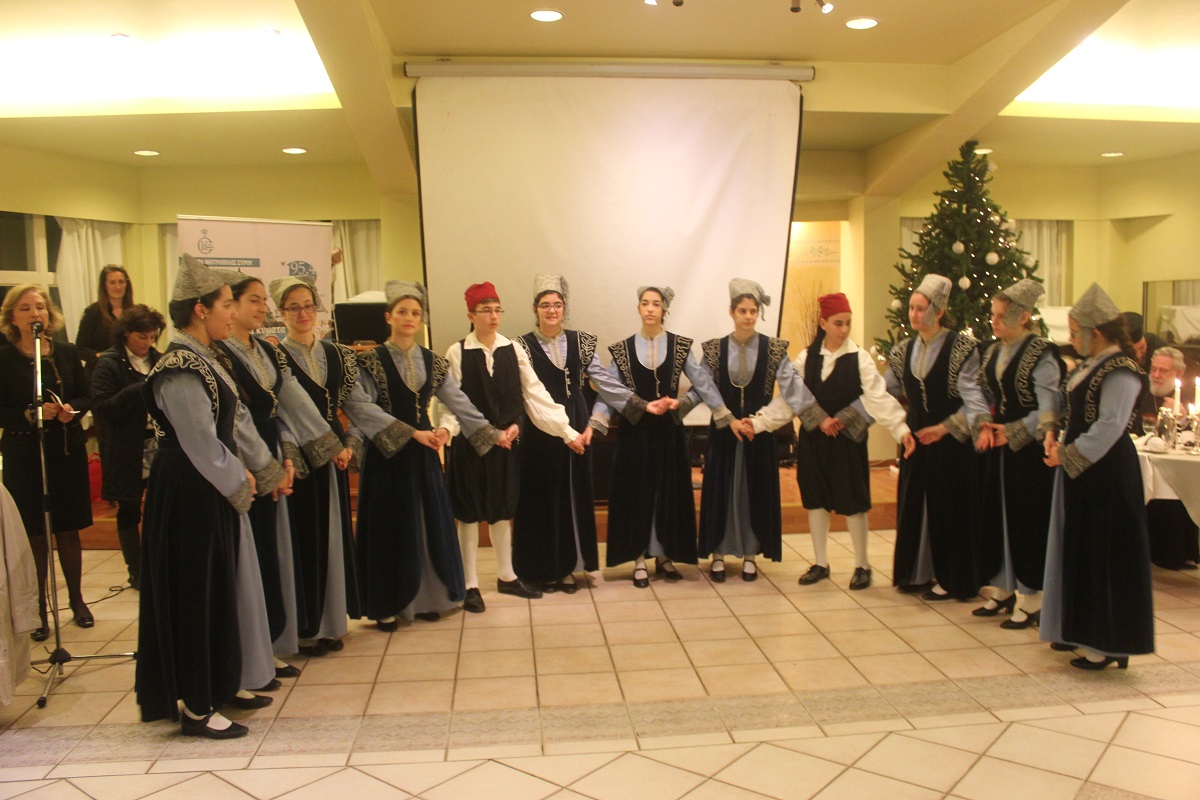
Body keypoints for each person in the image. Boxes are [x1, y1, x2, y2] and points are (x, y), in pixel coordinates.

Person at [137, 254, 286, 738]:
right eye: (226, 304)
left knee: (220, 587)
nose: (232, 312)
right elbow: (199, 441)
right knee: (196, 594)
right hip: (188, 491)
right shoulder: (180, 366)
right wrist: (240, 482)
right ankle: (198, 705)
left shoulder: (207, 357)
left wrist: (263, 470)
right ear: (201, 311)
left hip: (207, 487)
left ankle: (222, 682)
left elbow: (234, 422)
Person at [345, 281, 504, 627]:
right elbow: (360, 406)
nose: (409, 318)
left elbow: (457, 400)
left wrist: (487, 432)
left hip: (424, 454)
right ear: (388, 316)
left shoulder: (432, 361)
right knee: (391, 526)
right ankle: (388, 605)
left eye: (415, 313)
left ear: (421, 320)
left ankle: (428, 598)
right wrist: (412, 433)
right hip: (387, 455)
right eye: (402, 311)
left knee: (426, 523)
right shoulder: (369, 361)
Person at [217, 272, 345, 662]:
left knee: (277, 551)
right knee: (254, 552)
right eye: (253, 300)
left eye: (263, 301)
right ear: (232, 306)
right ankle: (257, 650)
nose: (261, 308)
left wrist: (292, 455)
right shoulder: (222, 354)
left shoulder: (267, 351)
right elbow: (238, 416)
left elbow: (285, 408)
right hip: (243, 457)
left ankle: (279, 638)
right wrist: (269, 464)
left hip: (276, 452)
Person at [437, 281, 586, 613]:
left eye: (497, 310)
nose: (493, 316)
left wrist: (565, 432)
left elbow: (533, 394)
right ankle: (470, 584)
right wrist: (447, 430)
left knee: (503, 511)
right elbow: (451, 402)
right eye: (485, 311)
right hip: (470, 447)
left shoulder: (513, 349)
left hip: (506, 445)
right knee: (469, 515)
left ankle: (507, 576)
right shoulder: (457, 351)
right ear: (471, 315)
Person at [750, 291, 914, 589]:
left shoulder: (859, 358)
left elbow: (878, 398)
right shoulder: (807, 357)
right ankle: (821, 563)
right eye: (838, 323)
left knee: (854, 503)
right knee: (816, 502)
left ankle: (862, 565)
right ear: (823, 323)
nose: (844, 329)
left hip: (847, 443)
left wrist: (901, 431)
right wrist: (759, 422)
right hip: (814, 441)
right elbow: (790, 399)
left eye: (848, 323)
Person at [1042, 283, 1154, 670]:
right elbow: (1073, 412)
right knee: (1084, 550)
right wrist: (1055, 436)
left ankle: (1108, 642)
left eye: (1076, 333)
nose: (1072, 340)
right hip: (1086, 473)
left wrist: (1066, 456)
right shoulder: (1093, 364)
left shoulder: (1122, 370)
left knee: (1105, 555)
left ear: (1098, 333)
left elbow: (1110, 425)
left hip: (1107, 475)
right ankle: (1080, 630)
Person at [592, 286, 733, 587]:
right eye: (645, 303)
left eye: (656, 304)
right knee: (637, 494)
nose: (650, 308)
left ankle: (664, 555)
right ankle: (638, 558)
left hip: (668, 433)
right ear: (638, 308)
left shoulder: (680, 346)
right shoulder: (622, 350)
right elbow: (608, 390)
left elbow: (703, 384)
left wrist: (692, 407)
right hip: (635, 434)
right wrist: (595, 424)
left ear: (664, 310)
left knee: (667, 495)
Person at [512, 275, 629, 592]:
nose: (552, 310)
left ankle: (568, 567)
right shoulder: (520, 346)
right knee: (542, 495)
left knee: (573, 494)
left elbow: (605, 385)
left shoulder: (582, 342)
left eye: (557, 305)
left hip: (576, 423)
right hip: (539, 426)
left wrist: (595, 424)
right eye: (545, 305)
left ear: (564, 308)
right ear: (535, 309)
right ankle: (543, 568)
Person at [886, 274, 989, 600]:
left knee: (950, 508)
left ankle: (952, 578)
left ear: (940, 311)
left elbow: (976, 400)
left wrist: (945, 428)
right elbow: (884, 392)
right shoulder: (903, 351)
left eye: (921, 309)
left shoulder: (962, 348)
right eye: (912, 308)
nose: (914, 315)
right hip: (917, 438)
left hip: (952, 442)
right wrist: (898, 426)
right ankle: (917, 572)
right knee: (915, 503)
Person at [274, 276, 362, 656]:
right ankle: (306, 628)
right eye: (293, 307)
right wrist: (303, 452)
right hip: (300, 461)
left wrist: (350, 443)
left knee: (333, 537)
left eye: (308, 305)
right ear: (281, 313)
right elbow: (279, 415)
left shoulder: (337, 354)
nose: (303, 313)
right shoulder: (275, 357)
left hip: (335, 457)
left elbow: (355, 405)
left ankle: (331, 623)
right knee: (305, 540)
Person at [0, 285, 93, 640]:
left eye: (39, 306)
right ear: (13, 317)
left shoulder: (66, 352)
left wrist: (72, 410)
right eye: (25, 308)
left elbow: (86, 395)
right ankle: (39, 608)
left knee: (68, 529)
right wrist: (31, 413)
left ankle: (77, 600)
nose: (34, 313)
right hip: (25, 455)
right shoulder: (5, 358)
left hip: (65, 451)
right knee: (35, 534)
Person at [972, 279, 1063, 628]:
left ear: (1023, 317)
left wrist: (1012, 431)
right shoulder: (994, 351)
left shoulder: (1042, 354)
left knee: (1027, 518)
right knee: (998, 514)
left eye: (1001, 316)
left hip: (1029, 450)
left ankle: (1033, 597)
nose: (993, 322)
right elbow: (983, 393)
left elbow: (1049, 406)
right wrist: (984, 423)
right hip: (998, 446)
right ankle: (1004, 585)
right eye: (993, 315)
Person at [696, 279, 794, 582]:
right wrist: (728, 418)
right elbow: (703, 386)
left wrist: (760, 422)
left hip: (757, 434)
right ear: (731, 312)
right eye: (742, 311)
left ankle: (751, 554)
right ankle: (718, 554)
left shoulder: (775, 349)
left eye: (753, 311)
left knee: (754, 492)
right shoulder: (714, 349)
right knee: (721, 491)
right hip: (724, 431)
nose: (748, 316)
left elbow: (792, 391)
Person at [91, 304, 165, 591]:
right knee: (130, 507)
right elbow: (103, 409)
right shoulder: (109, 363)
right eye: (142, 337)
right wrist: (140, 388)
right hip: (126, 448)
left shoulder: (158, 359)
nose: (147, 343)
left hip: (158, 443)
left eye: (152, 337)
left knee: (160, 507)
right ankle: (136, 571)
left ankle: (158, 565)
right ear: (126, 333)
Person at [76, 265, 134, 364]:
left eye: (121, 282)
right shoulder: (92, 312)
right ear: (104, 286)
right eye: (112, 282)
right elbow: (80, 349)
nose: (117, 287)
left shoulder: (134, 312)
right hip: (100, 368)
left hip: (127, 368)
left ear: (127, 284)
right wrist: (100, 356)